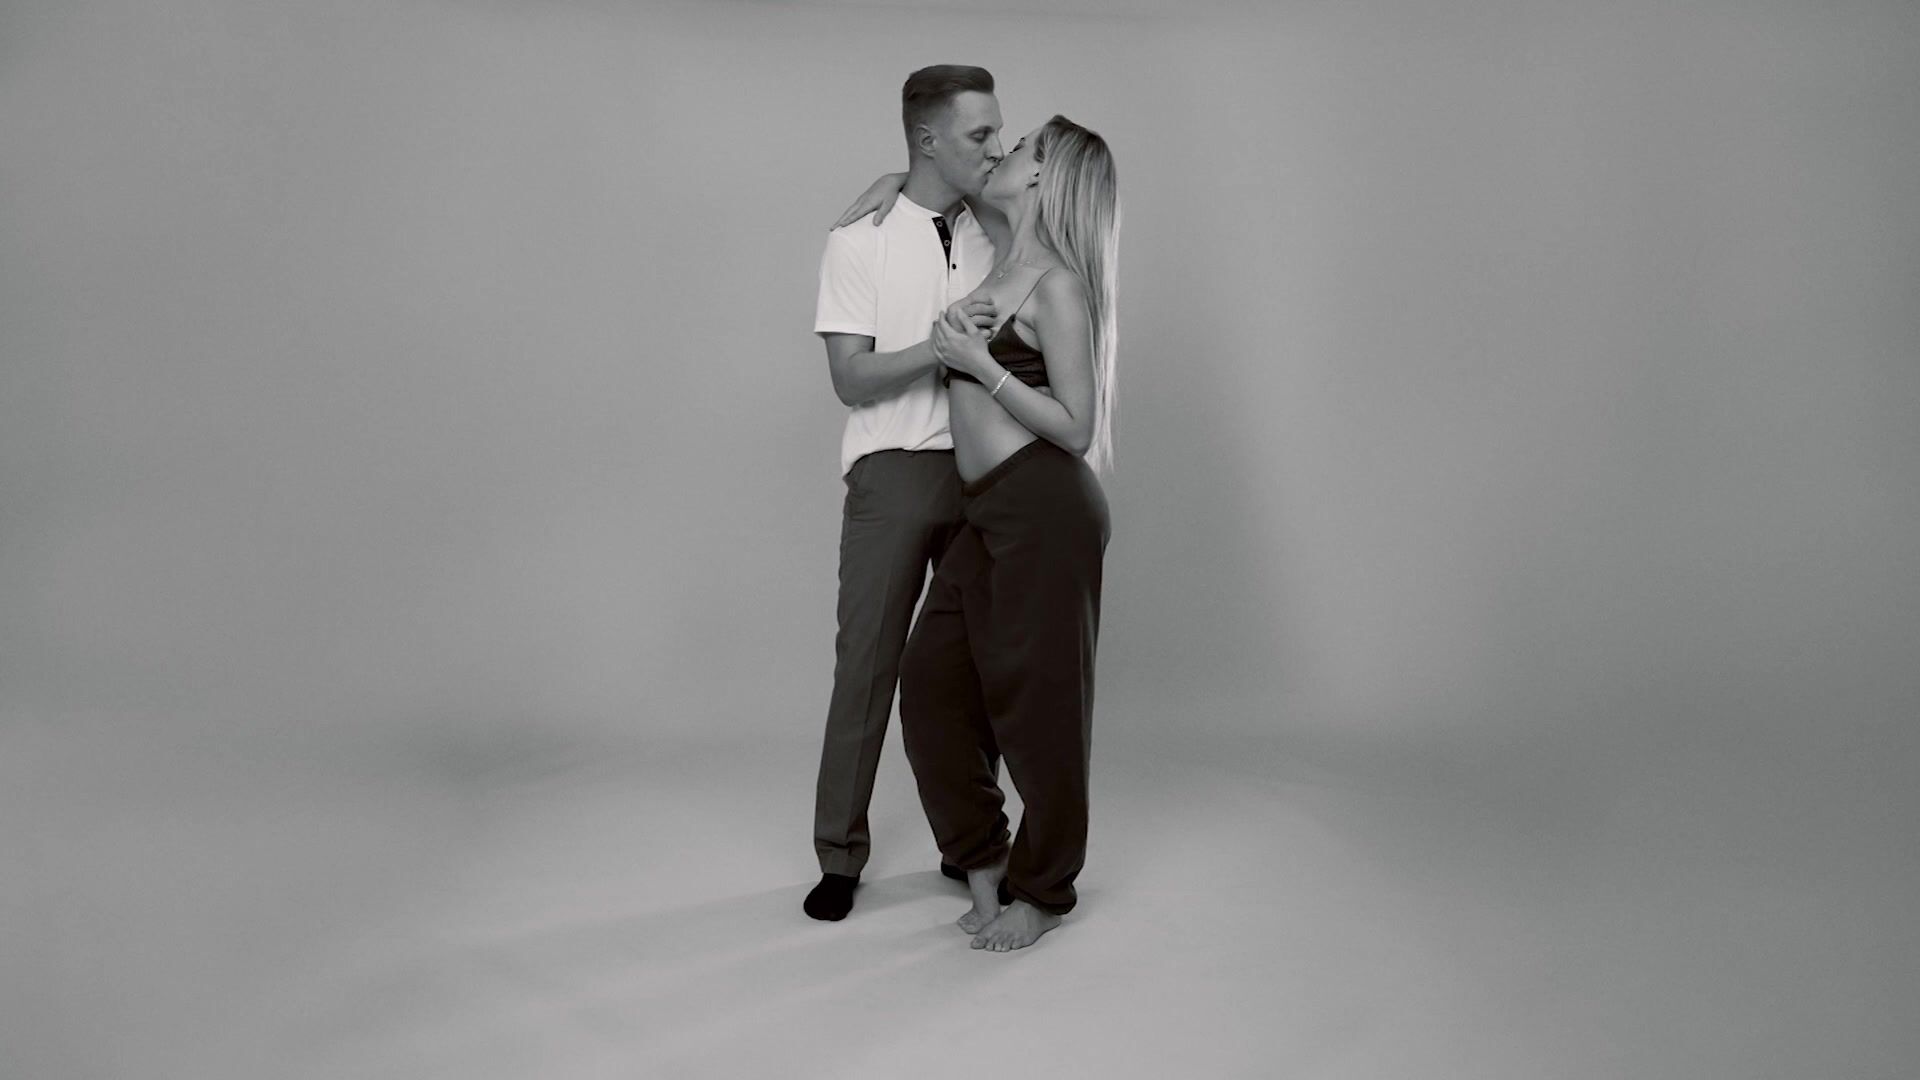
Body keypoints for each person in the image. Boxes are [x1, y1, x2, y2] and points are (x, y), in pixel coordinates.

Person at [836, 115, 1119, 951]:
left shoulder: (1056, 284)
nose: (1003, 150)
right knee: (931, 687)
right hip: (988, 508)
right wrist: (897, 184)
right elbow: (945, 190)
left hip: (1046, 510)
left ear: (1042, 178)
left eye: (1022, 145)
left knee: (1041, 711)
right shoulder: (998, 254)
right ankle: (983, 858)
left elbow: (1077, 427)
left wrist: (984, 366)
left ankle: (1045, 892)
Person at [804, 65, 1013, 922]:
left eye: (998, 132)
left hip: (984, 470)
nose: (996, 148)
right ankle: (839, 857)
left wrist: (909, 176)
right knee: (868, 668)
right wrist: (944, 347)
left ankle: (972, 847)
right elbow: (850, 380)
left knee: (978, 670)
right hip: (891, 473)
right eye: (978, 135)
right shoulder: (860, 239)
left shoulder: (999, 226)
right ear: (929, 140)